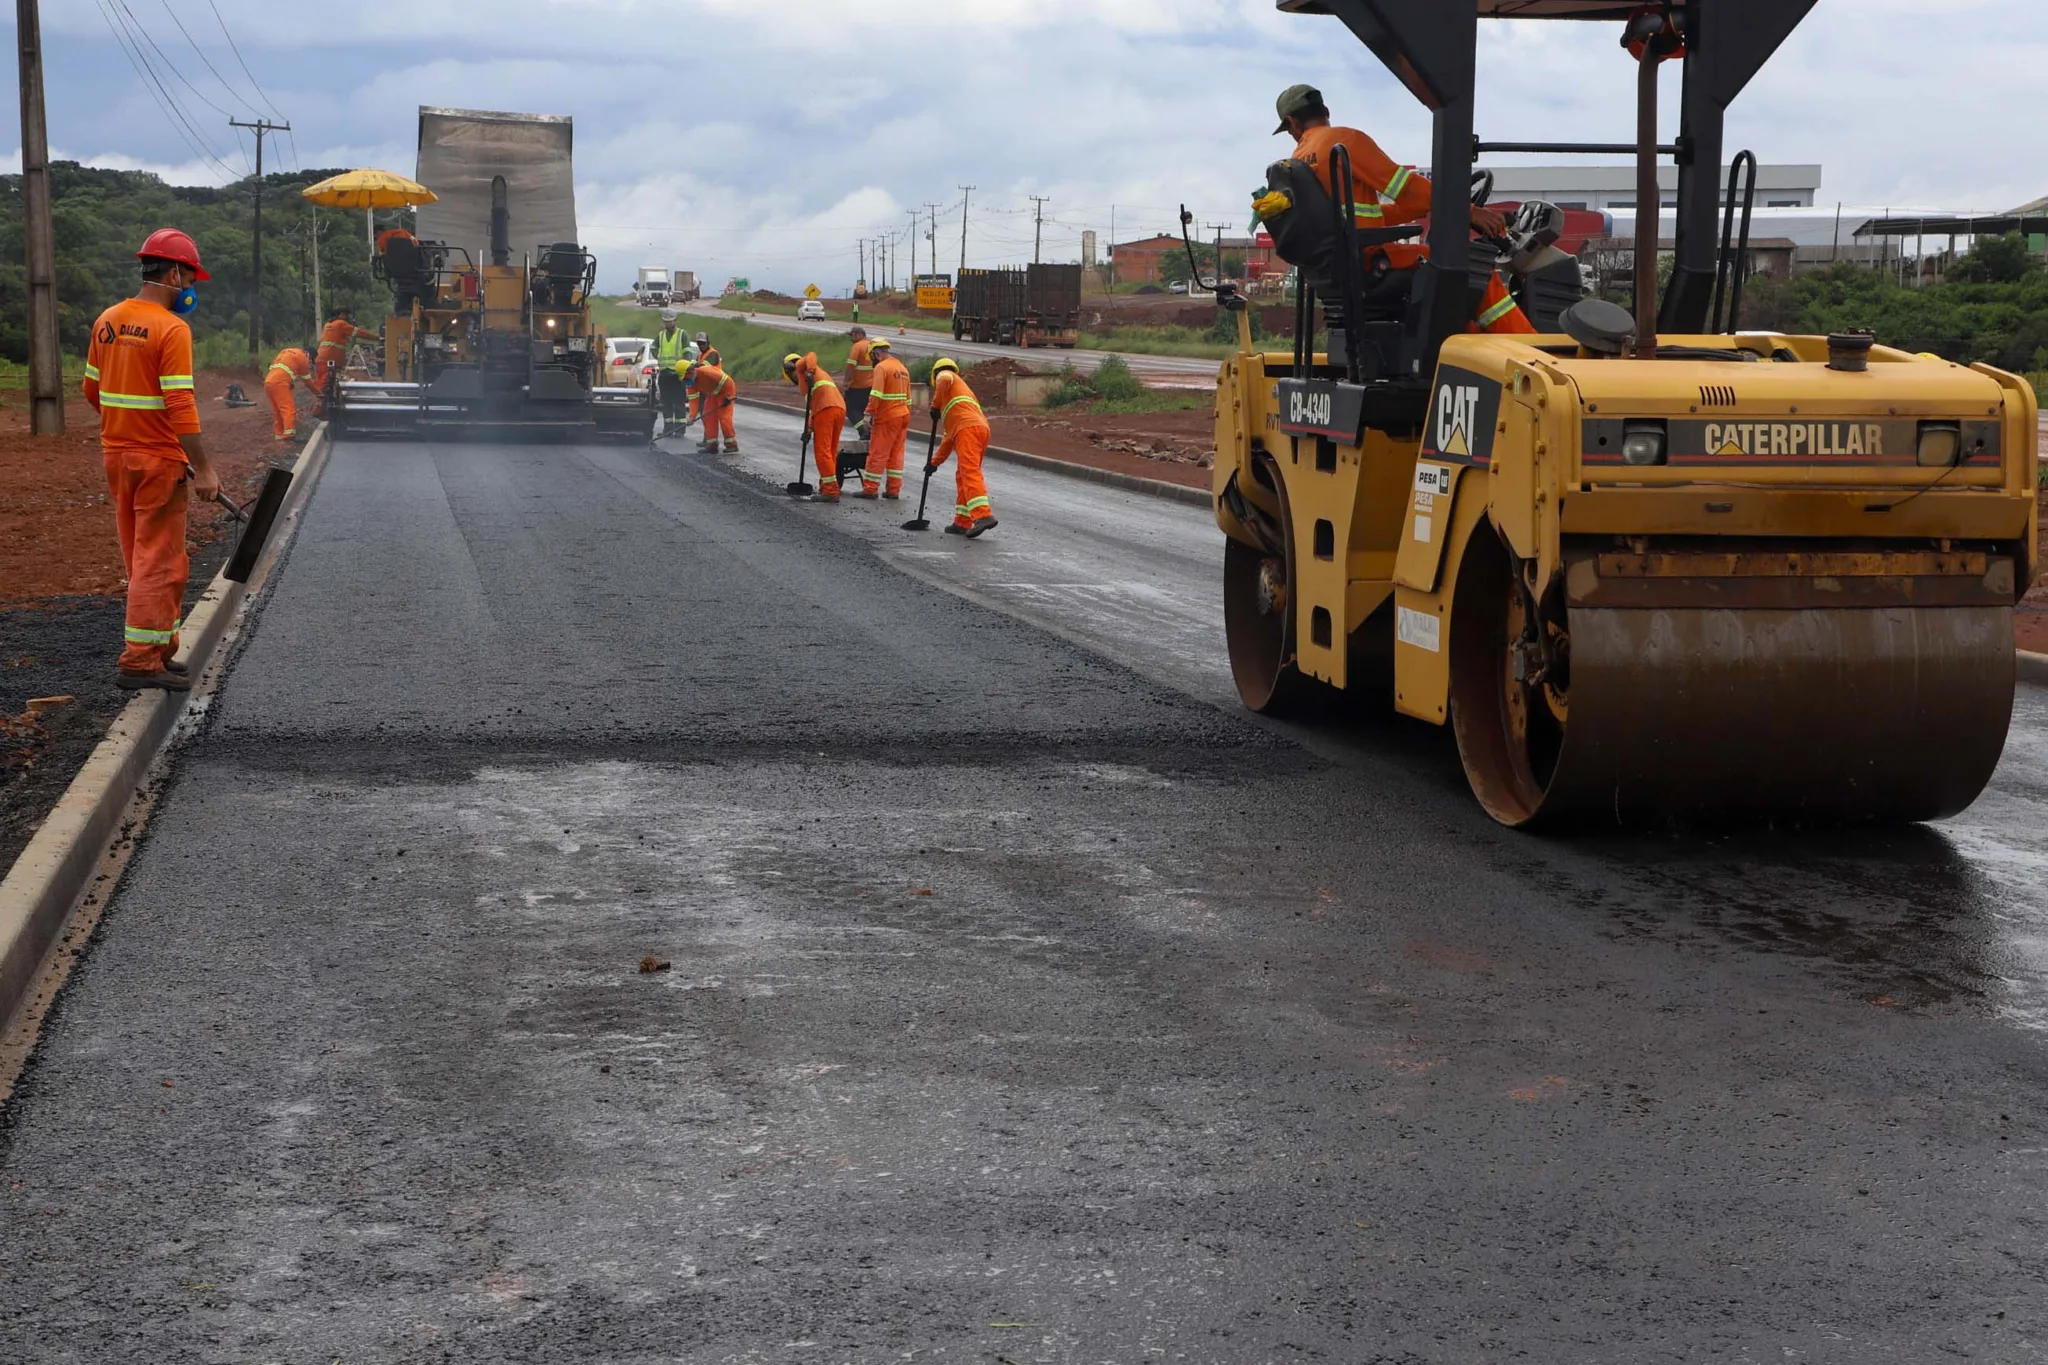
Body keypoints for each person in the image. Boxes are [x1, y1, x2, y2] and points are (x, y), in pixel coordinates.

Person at [1269, 83, 1532, 335]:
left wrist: (1419, 209)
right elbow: (1404, 186)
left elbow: (1358, 217)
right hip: (1371, 261)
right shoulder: (1343, 141)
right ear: (1325, 112)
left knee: (1455, 301)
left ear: (1292, 122)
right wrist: (1470, 211)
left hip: (1345, 265)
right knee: (1473, 272)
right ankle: (1532, 351)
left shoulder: (1298, 162)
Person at [82, 228, 221, 691]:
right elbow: (180, 403)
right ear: (175, 272)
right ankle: (141, 661)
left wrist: (128, 429)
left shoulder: (108, 320)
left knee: (141, 556)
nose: (189, 288)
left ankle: (160, 648)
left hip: (117, 455)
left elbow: (91, 389)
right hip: (158, 460)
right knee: (158, 561)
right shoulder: (171, 328)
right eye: (189, 278)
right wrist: (204, 466)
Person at [925, 357, 995, 536]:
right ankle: (962, 521)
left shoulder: (946, 375)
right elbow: (948, 440)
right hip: (979, 428)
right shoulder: (957, 397)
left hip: (968, 429)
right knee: (964, 474)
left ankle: (983, 515)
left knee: (970, 472)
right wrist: (934, 463)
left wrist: (935, 405)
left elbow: (944, 379)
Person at [783, 352, 847, 501]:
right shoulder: (812, 378)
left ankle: (831, 491)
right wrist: (809, 430)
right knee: (830, 451)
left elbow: (810, 355)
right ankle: (826, 486)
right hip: (838, 408)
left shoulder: (802, 369)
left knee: (822, 452)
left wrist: (809, 372)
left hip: (826, 409)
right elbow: (813, 409)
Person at [859, 337, 911, 499]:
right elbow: (908, 398)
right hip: (903, 416)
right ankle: (893, 490)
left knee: (878, 452)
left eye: (872, 357)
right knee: (896, 454)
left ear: (876, 353)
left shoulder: (881, 368)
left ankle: (870, 489)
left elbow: (876, 394)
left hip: (887, 417)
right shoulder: (902, 368)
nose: (871, 361)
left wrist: (868, 414)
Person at [313, 306, 375, 402]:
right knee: (325, 385)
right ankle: (319, 409)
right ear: (340, 315)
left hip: (320, 358)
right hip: (331, 359)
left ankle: (324, 408)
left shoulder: (328, 325)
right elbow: (360, 333)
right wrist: (377, 338)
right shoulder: (341, 324)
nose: (347, 317)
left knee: (322, 384)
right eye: (345, 315)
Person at [651, 310, 694, 437]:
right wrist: (658, 356)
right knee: (667, 402)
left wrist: (685, 367)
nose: (667, 324)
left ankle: (680, 429)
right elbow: (654, 348)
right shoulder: (661, 335)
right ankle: (668, 429)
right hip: (664, 373)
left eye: (669, 322)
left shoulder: (682, 334)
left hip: (677, 374)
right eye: (666, 322)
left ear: (675, 321)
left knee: (679, 401)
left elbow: (687, 352)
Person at [264, 344, 315, 442]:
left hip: (269, 381)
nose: (309, 363)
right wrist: (319, 394)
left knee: (278, 410)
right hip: (280, 382)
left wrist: (289, 382)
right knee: (288, 408)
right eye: (310, 360)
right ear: (308, 354)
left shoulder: (287, 352)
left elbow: (283, 368)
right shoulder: (302, 358)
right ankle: (289, 435)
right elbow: (308, 382)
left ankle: (279, 435)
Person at [688, 359, 738, 453]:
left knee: (724, 417)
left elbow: (727, 381)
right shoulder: (691, 383)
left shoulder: (706, 372)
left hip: (725, 391)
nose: (686, 381)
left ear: (691, 371)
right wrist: (692, 416)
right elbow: (693, 401)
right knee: (707, 416)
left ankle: (731, 444)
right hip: (712, 394)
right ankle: (712, 445)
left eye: (686, 378)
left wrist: (728, 397)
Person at [843, 326, 875, 430]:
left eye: (852, 336)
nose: (851, 339)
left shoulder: (857, 347)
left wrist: (846, 381)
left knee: (851, 409)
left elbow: (851, 365)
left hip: (857, 386)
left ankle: (863, 430)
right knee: (865, 410)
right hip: (872, 386)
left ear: (858, 335)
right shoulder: (872, 345)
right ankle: (869, 431)